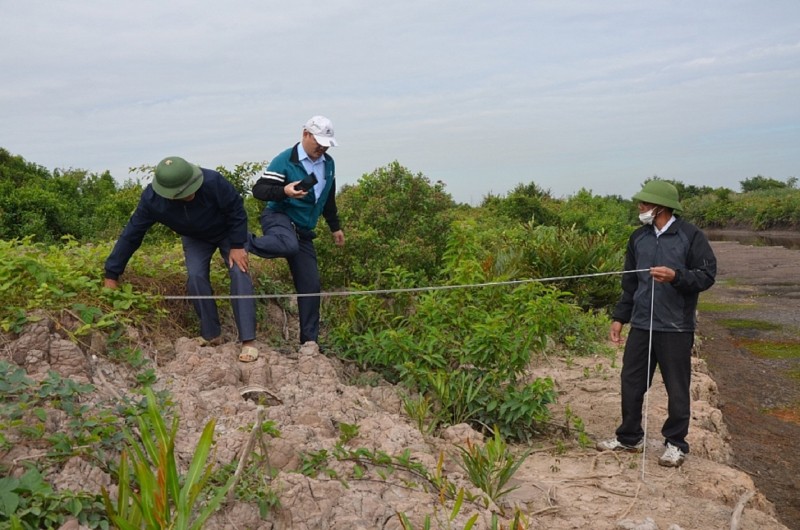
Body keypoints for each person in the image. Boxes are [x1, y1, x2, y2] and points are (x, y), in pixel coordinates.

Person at [596, 180, 717, 467]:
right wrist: (619, 317)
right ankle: (629, 437)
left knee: (677, 387)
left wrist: (677, 276)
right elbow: (629, 283)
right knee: (631, 381)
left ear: (660, 206)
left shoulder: (690, 235)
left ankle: (676, 443)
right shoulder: (639, 238)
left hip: (675, 326)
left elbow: (707, 276)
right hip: (641, 323)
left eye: (644, 203)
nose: (640, 207)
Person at [103, 156, 260, 363]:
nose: (191, 193)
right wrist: (111, 273)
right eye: (185, 192)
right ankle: (211, 334)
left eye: (192, 187)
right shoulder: (152, 200)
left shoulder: (213, 181)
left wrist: (238, 245)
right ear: (169, 194)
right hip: (195, 237)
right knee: (195, 276)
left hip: (227, 232)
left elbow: (236, 210)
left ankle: (248, 341)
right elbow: (132, 234)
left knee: (239, 270)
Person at [249, 115, 345, 352]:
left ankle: (309, 343)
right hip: (279, 218)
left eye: (326, 143)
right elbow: (259, 190)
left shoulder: (328, 164)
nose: (321, 147)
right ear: (305, 134)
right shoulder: (285, 160)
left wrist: (335, 227)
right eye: (318, 141)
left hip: (303, 230)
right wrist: (285, 190)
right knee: (288, 244)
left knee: (311, 285)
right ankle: (242, 240)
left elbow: (328, 199)